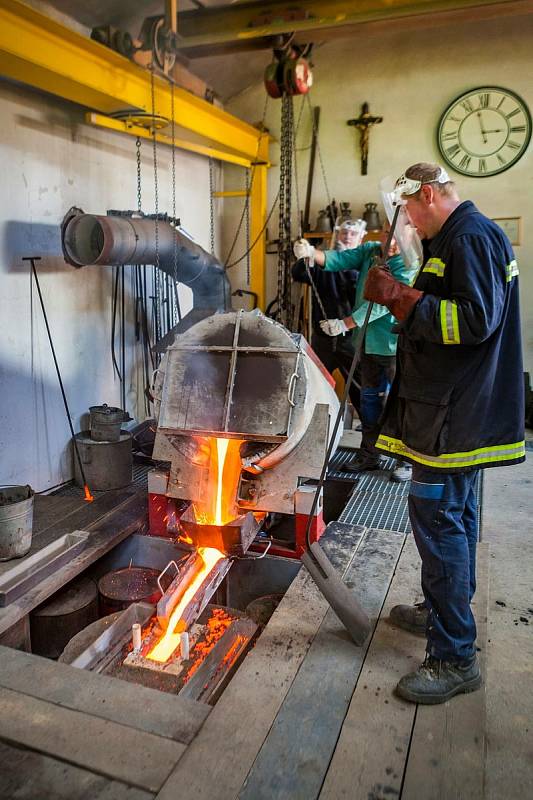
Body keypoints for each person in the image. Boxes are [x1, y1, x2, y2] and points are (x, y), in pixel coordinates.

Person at [363, 162, 525, 704]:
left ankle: (454, 656)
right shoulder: (456, 238)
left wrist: (397, 298)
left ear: (427, 195)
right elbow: (451, 308)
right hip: (452, 412)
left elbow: (474, 322)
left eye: (409, 208)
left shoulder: (470, 237)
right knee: (454, 518)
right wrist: (405, 288)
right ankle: (444, 612)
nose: (407, 219)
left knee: (439, 523)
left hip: (453, 417)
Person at [294, 227, 417, 482]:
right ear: (382, 234)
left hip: (394, 345)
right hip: (367, 343)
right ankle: (371, 454)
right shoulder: (371, 252)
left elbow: (386, 303)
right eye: (388, 234)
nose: (392, 241)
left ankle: (406, 459)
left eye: (399, 236)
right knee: (369, 400)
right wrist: (311, 253)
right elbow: (338, 260)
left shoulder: (408, 262)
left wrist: (345, 324)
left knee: (400, 404)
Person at [292, 220, 364, 411]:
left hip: (350, 339)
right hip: (322, 338)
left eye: (353, 234)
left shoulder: (364, 265)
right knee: (316, 386)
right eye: (344, 233)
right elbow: (300, 274)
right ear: (336, 235)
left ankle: (369, 432)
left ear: (361, 238)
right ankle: (318, 425)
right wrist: (305, 257)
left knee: (360, 387)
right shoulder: (324, 263)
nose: (347, 237)